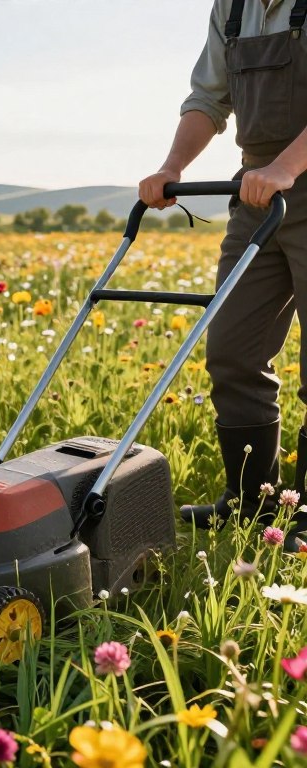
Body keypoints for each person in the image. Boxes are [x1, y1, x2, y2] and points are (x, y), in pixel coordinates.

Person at [139, 0, 307, 548]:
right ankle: (252, 500)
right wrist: (171, 168)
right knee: (232, 350)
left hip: (287, 175)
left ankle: (305, 514)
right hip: (258, 192)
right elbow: (208, 100)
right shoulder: (231, 7)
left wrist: (286, 167)